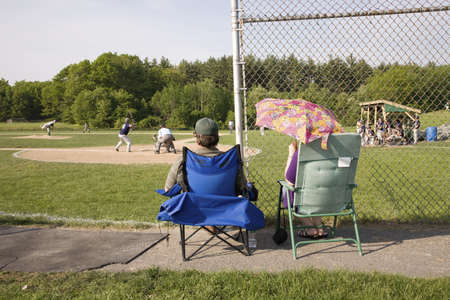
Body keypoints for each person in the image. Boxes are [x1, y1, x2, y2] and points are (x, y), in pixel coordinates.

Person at [284, 140, 327, 239]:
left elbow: (289, 180)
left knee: (287, 189)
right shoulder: (332, 153)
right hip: (327, 198)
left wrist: (291, 154)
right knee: (318, 188)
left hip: (304, 198)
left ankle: (309, 228)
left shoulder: (301, 153)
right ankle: (319, 227)